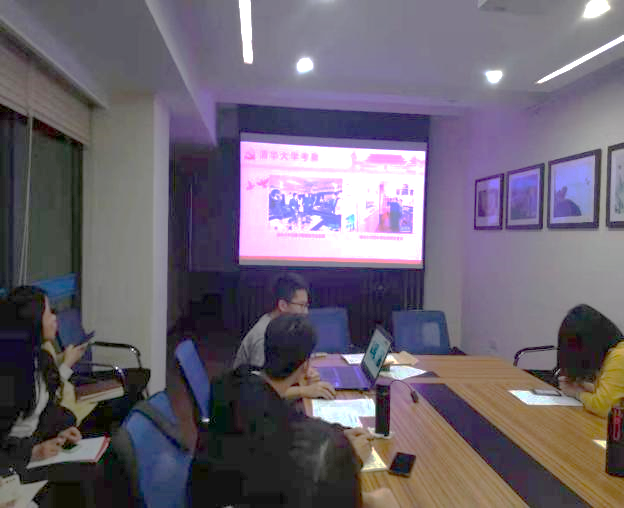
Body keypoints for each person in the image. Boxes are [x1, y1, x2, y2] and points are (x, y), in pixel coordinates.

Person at [191, 314, 399, 508]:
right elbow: (300, 487)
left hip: (207, 488)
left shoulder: (237, 379)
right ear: (305, 365)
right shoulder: (272, 427)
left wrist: (340, 434)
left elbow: (293, 420)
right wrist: (353, 459)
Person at [0, 291, 82, 473]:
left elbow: (41, 413)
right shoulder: (7, 377)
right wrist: (31, 453)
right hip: (13, 463)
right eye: (49, 313)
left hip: (31, 446)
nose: (55, 317)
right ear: (33, 321)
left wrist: (59, 433)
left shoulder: (42, 358)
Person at [233, 273, 336, 400]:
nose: (306, 312)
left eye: (307, 306)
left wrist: (301, 370)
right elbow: (262, 389)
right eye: (301, 305)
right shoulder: (263, 337)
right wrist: (305, 390)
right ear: (282, 305)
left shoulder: (283, 327)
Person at [557, 304, 624, 417]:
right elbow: (615, 395)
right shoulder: (616, 352)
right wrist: (582, 386)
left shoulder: (619, 357)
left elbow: (606, 408)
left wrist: (576, 393)